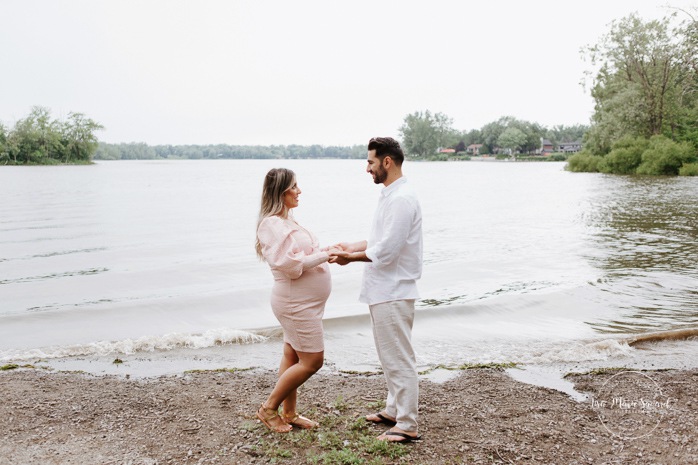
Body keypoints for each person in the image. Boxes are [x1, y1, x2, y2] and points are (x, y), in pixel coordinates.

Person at [330, 137, 423, 443]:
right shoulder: (390, 195)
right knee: (388, 354)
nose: (366, 168)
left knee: (398, 357)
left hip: (394, 289)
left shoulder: (401, 199)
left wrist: (349, 258)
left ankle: (407, 423)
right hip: (384, 288)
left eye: (370, 162)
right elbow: (378, 240)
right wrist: (350, 246)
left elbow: (389, 250)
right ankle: (394, 410)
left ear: (387, 162)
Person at [255, 167, 338, 433]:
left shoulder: (288, 221)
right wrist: (325, 256)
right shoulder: (271, 224)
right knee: (313, 361)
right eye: (294, 186)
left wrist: (329, 251)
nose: (299, 190)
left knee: (292, 355)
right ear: (280, 191)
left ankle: (289, 413)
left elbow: (304, 256)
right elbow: (289, 265)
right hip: (295, 304)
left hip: (305, 303)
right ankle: (269, 409)